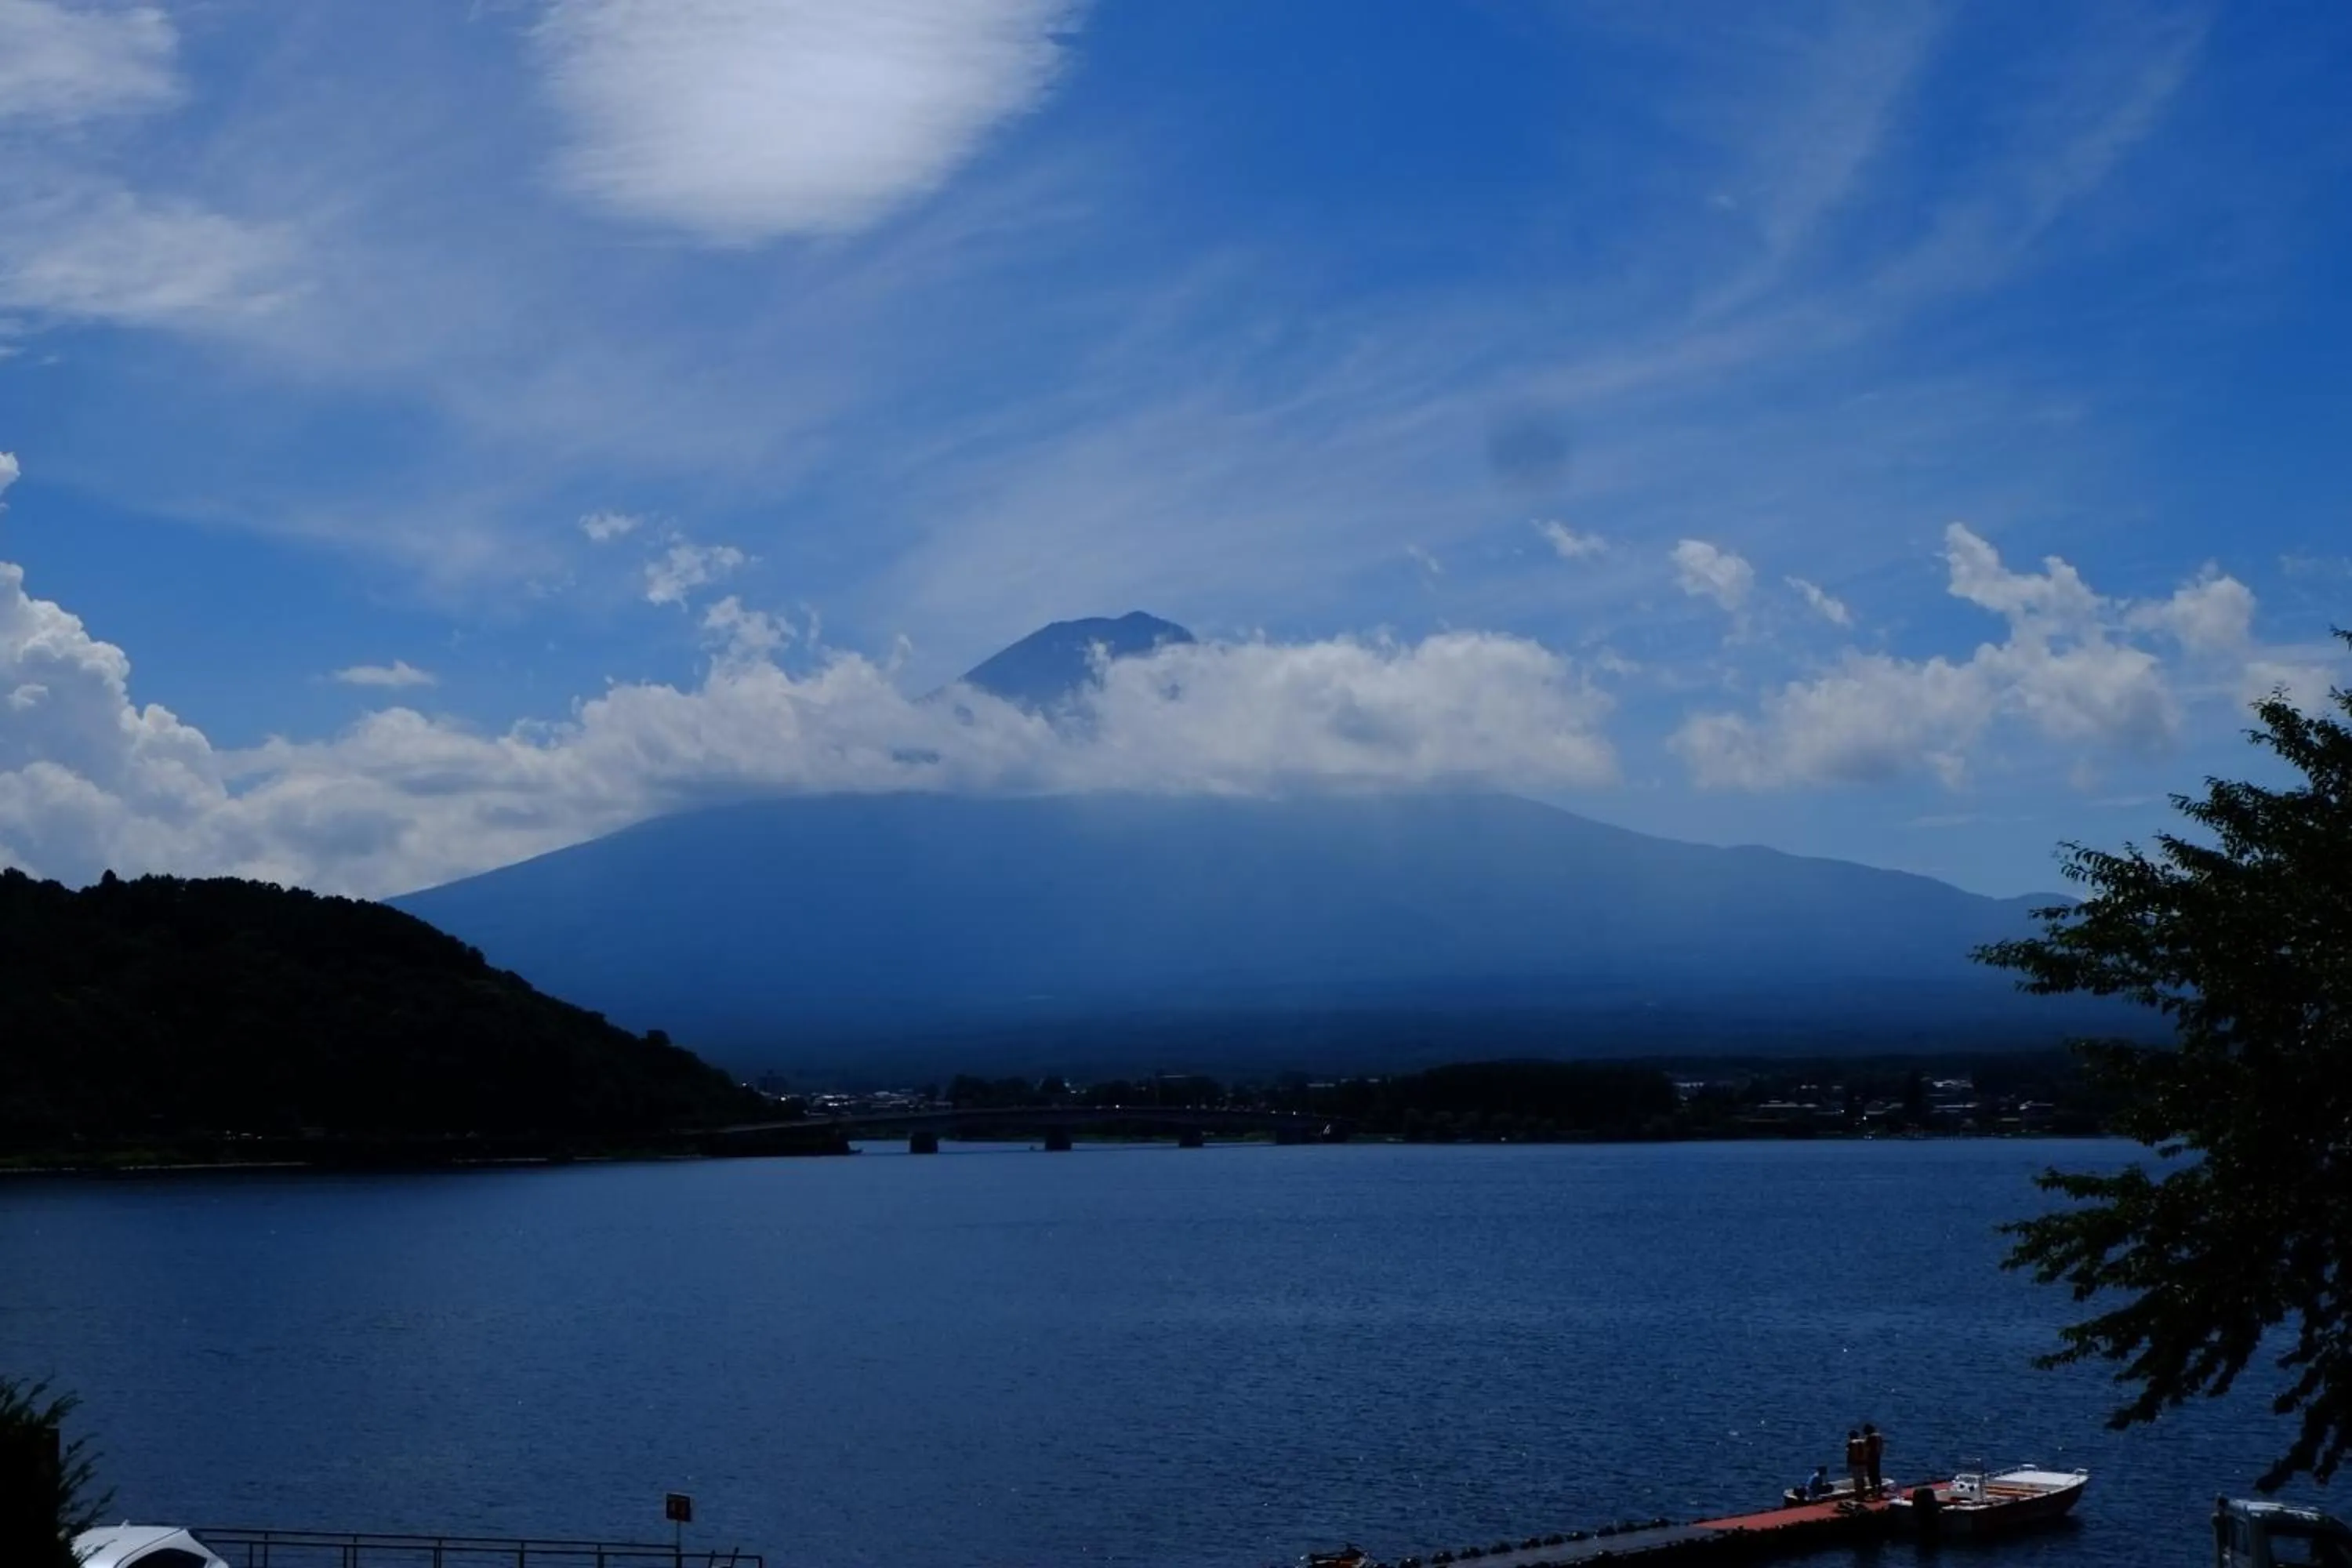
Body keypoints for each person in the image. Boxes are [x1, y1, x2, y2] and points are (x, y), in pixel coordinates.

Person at [1846, 1428, 1867, 1502]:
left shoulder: (1851, 1443)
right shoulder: (1864, 1442)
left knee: (1857, 1480)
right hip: (1864, 1463)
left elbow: (1849, 1454)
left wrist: (1848, 1464)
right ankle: (1863, 1494)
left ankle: (1859, 1496)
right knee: (1862, 1479)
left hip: (1855, 1464)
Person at [1863, 1423, 1885, 1500]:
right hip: (1877, 1457)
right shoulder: (1879, 1436)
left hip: (1871, 1458)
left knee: (1871, 1475)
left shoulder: (1870, 1437)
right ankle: (1880, 1492)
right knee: (1877, 1474)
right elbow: (1881, 1447)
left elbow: (1867, 1448)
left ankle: (1873, 1492)